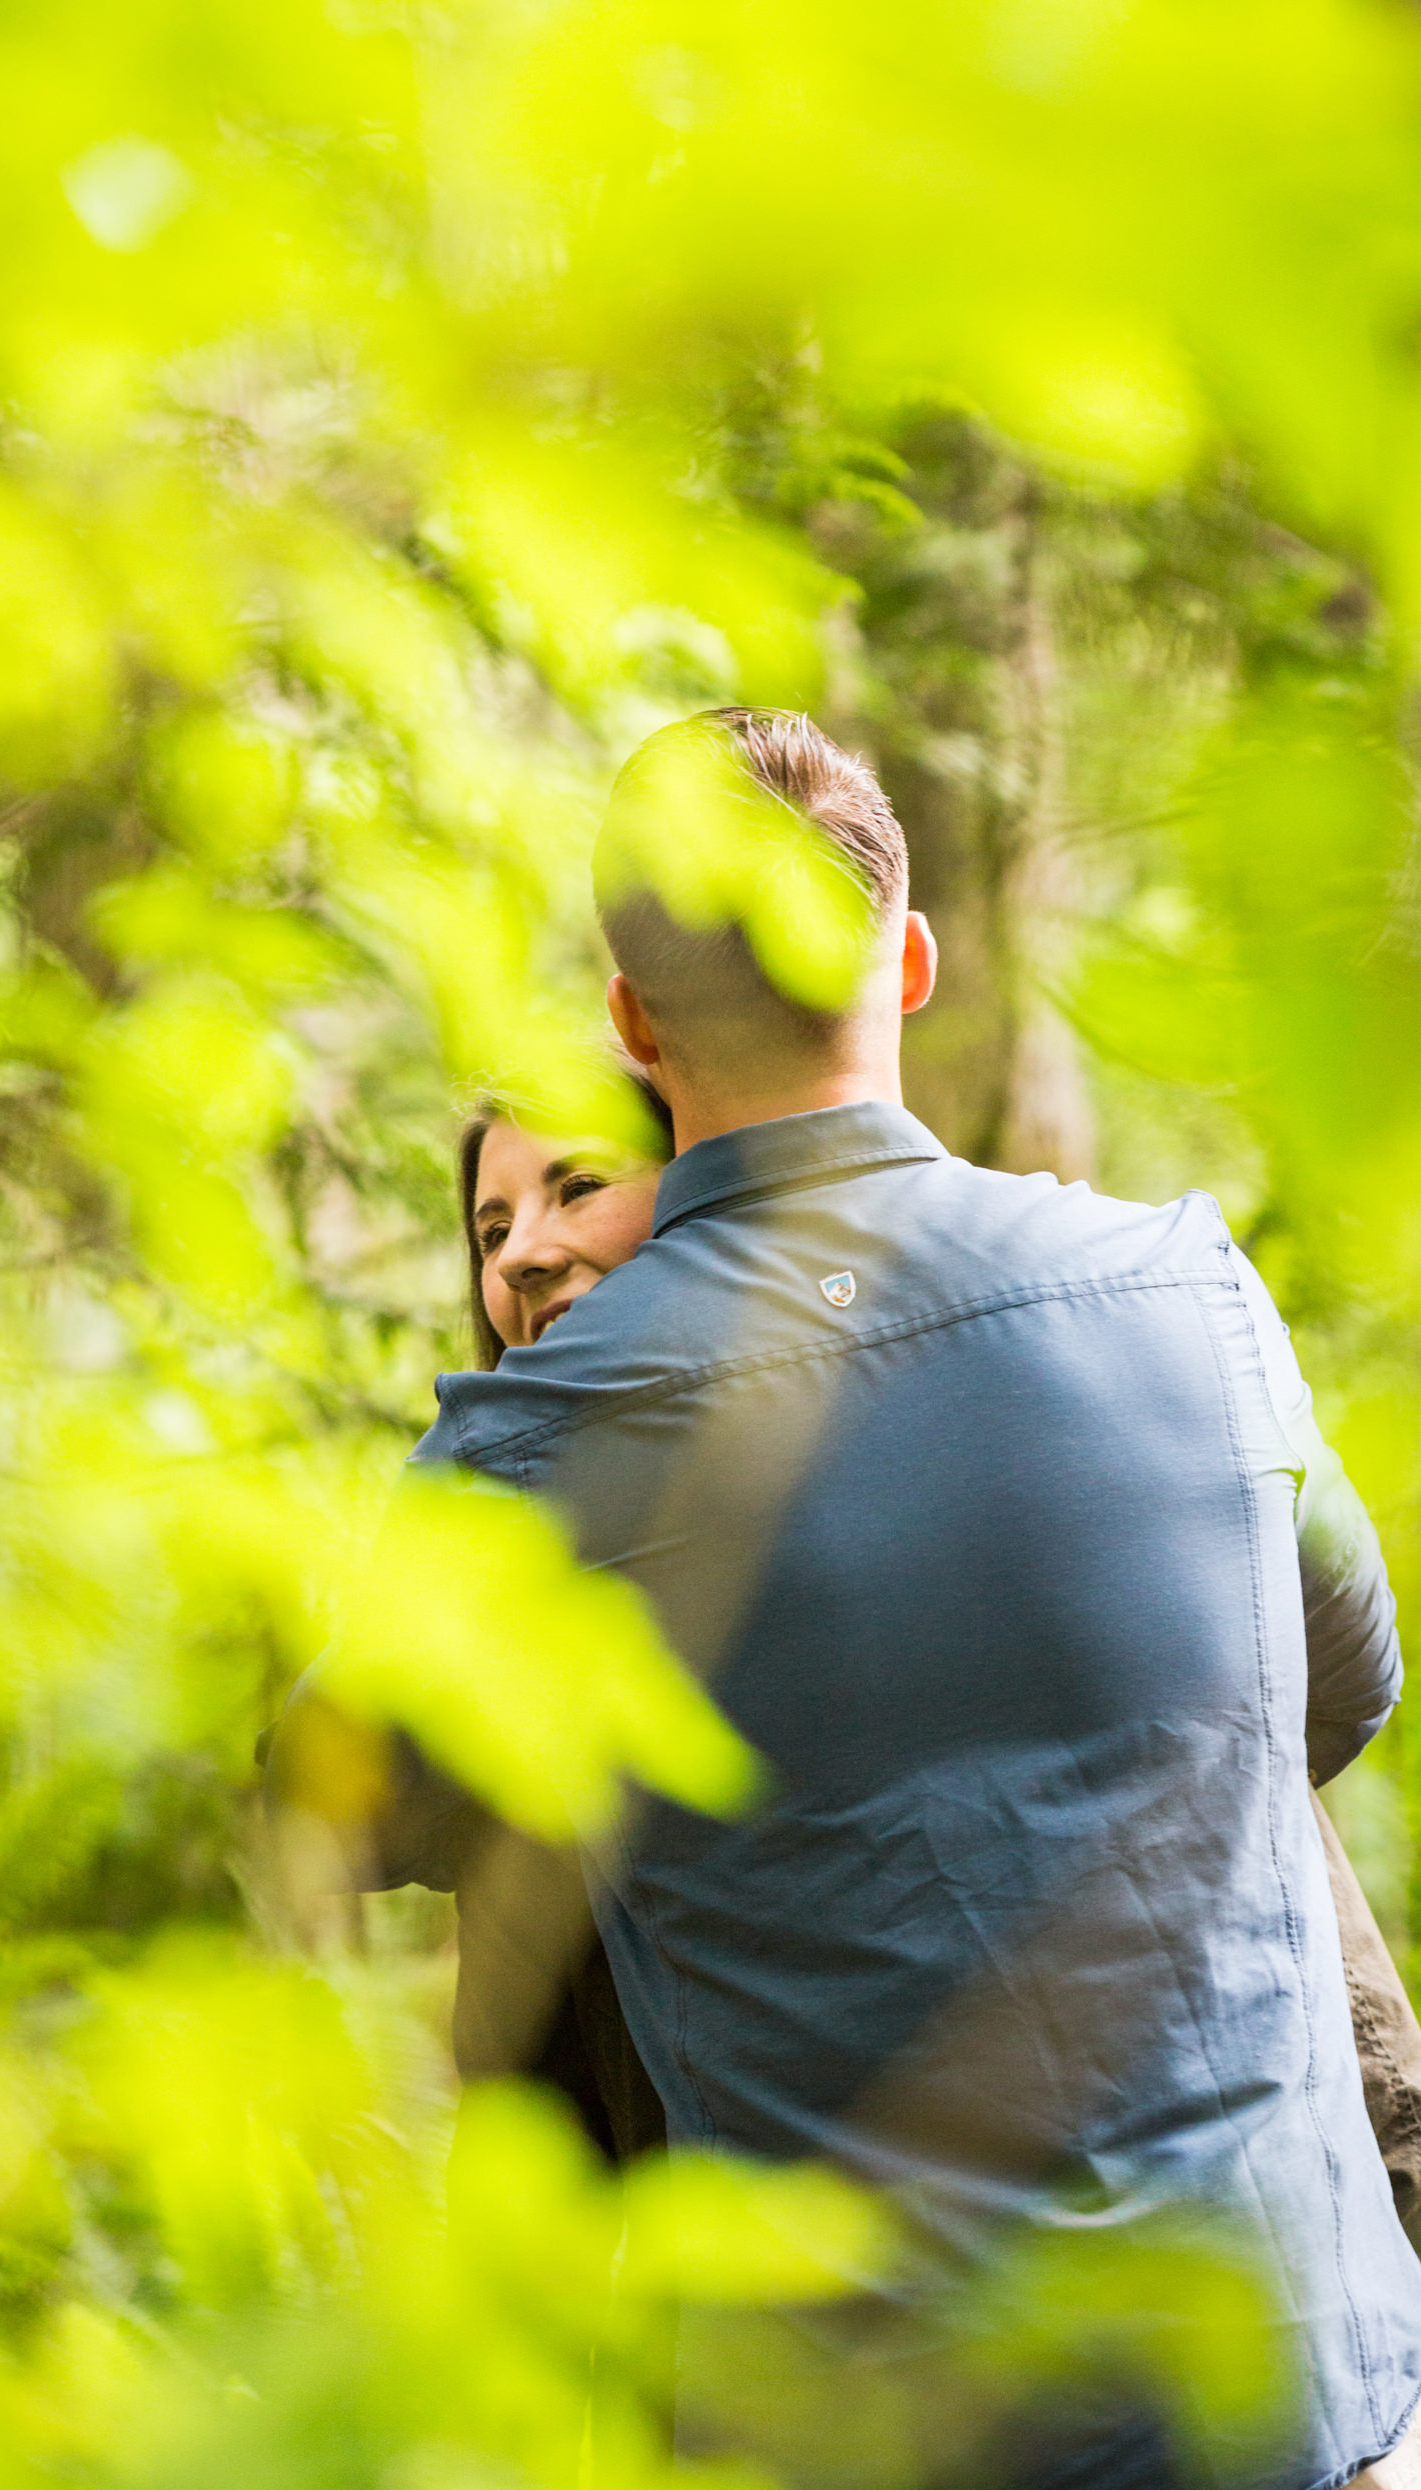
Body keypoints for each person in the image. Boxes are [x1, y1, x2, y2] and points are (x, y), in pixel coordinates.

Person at [273, 707, 1421, 2486]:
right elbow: (1338, 1686)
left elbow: (332, 1816)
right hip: (1304, 2400)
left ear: (634, 1027)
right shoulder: (1191, 1285)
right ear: (911, 956)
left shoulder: (545, 1442)